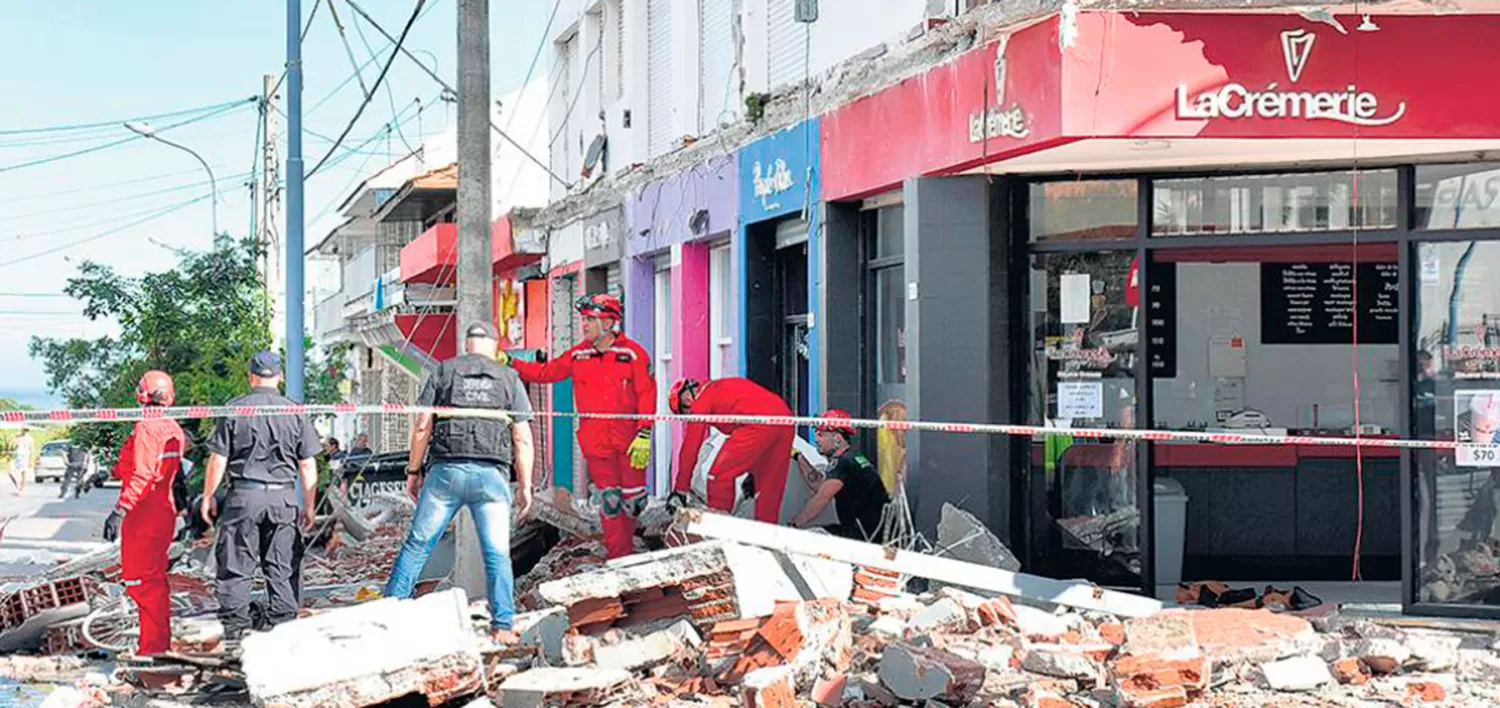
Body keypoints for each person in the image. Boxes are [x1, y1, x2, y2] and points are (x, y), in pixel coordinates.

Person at [387, 323, 535, 643]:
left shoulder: (444, 371)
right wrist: (525, 486)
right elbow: (522, 438)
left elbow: (422, 425)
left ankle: (389, 617)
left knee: (417, 545)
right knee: (496, 554)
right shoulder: (509, 378)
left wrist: (413, 472)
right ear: (495, 347)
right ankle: (504, 626)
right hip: (492, 478)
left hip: (445, 475)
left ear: (467, 345)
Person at [498, 294, 654, 559]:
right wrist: (511, 362)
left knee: (633, 501)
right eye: (583, 319)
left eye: (590, 319)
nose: (584, 325)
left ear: (609, 322)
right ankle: (620, 556)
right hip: (595, 441)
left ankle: (631, 548)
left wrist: (645, 431)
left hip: (630, 441)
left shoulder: (632, 354)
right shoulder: (578, 354)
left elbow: (647, 393)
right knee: (610, 500)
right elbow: (546, 373)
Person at [200, 351, 320, 646]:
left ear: (251, 376)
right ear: (279, 377)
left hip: (244, 497)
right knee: (282, 568)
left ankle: (236, 643)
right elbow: (307, 465)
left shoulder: (235, 409)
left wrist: (208, 496)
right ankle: (283, 639)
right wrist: (309, 506)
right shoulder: (295, 412)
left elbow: (218, 460)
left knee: (236, 569)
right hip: (283, 498)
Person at [102, 371, 186, 656]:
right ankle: (155, 644)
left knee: (141, 584)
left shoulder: (146, 428)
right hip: (163, 510)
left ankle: (152, 649)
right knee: (154, 581)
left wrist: (119, 511)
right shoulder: (173, 427)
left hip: (144, 514)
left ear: (141, 393)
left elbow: (142, 475)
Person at [668, 378, 795, 523]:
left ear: (687, 399)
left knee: (718, 475)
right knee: (767, 490)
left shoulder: (701, 400)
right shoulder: (720, 388)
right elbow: (751, 418)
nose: (690, 418)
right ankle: (767, 540)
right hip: (784, 418)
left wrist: (680, 490)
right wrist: (754, 471)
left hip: (758, 422)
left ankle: (719, 531)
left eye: (686, 414)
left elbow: (690, 447)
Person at [790, 410, 890, 540]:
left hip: (863, 536)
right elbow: (819, 486)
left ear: (837, 438)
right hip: (872, 533)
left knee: (807, 539)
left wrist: (793, 525)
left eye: (821, 434)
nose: (816, 439)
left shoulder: (843, 462)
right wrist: (798, 456)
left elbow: (820, 499)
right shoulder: (853, 457)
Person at [9, 428, 33, 495]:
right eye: (23, 430)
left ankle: (22, 489)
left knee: (24, 473)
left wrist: (30, 460)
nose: (24, 432)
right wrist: (15, 437)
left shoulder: (29, 438)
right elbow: (12, 444)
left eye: (26, 430)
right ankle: (18, 485)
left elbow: (31, 449)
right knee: (10, 472)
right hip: (16, 456)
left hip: (24, 457)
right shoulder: (17, 437)